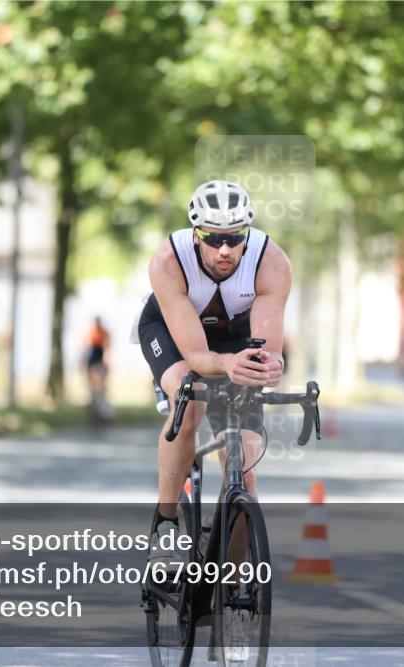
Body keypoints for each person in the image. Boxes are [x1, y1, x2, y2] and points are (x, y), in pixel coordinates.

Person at [137, 180, 291, 569]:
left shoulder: (271, 261)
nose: (224, 249)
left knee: (246, 472)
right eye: (213, 238)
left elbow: (267, 348)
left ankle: (232, 585)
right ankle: (166, 523)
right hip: (175, 334)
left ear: (247, 234)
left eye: (235, 238)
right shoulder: (168, 261)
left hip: (236, 339)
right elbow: (195, 355)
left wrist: (271, 365)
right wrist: (225, 365)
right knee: (189, 404)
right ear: (196, 234)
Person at [83, 317, 112, 424]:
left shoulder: (104, 333)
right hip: (93, 362)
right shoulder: (91, 333)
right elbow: (86, 348)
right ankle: (93, 404)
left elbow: (106, 349)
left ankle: (101, 409)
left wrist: (106, 363)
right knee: (94, 387)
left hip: (98, 362)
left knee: (101, 387)